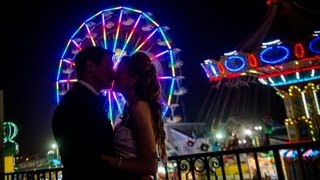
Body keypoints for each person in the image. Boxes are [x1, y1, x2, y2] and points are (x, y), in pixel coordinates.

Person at [51, 46, 115, 180]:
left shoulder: (77, 101)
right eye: (109, 66)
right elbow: (87, 161)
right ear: (90, 66)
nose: (113, 72)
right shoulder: (75, 106)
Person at [101, 52, 167, 179]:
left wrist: (111, 161)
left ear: (133, 79)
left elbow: (150, 166)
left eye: (120, 72)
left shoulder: (139, 108)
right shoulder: (131, 108)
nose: (114, 75)